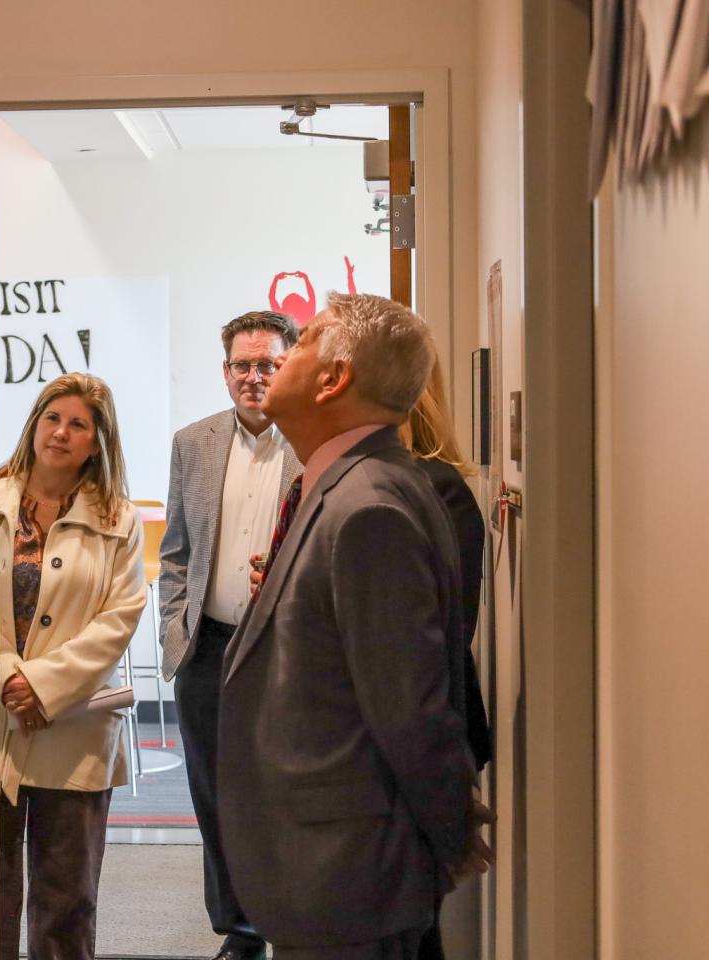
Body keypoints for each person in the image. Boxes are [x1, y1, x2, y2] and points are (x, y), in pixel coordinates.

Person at [218, 293, 476, 959]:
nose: (279, 363)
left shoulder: (368, 508)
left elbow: (412, 710)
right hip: (325, 875)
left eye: (301, 346)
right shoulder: (340, 487)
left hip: (349, 881)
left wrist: (448, 844)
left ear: (333, 380)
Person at [158, 309, 300, 960]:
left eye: (267, 363)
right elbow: (177, 551)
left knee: (282, 794)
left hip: (287, 653)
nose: (254, 376)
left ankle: (291, 924)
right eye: (242, 365)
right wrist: (174, 632)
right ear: (224, 373)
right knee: (215, 799)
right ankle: (240, 934)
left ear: (289, 366)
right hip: (208, 648)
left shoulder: (313, 441)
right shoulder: (194, 442)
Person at [0, 372, 146, 960]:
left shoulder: (119, 519)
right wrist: (8, 675)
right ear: (34, 425)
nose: (61, 432)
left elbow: (120, 617)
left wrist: (41, 685)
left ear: (96, 441)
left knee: (67, 898)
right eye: (52, 417)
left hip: (75, 725)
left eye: (78, 424)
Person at [401, 359, 494, 960]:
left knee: (409, 929)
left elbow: (435, 641)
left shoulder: (434, 488)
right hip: (401, 742)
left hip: (412, 741)